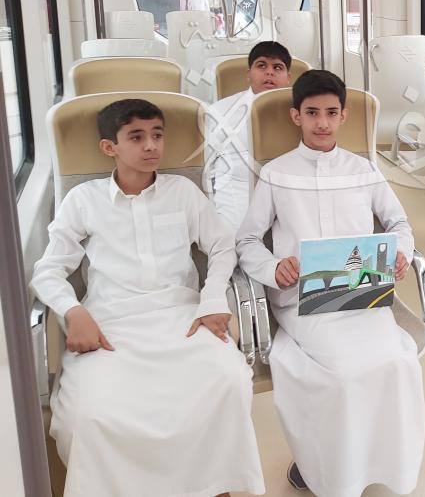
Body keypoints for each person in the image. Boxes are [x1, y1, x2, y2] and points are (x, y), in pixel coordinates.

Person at [30, 98, 265, 496]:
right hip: (112, 325)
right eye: (136, 137)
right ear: (110, 147)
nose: (151, 145)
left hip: (183, 318)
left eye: (157, 135)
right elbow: (48, 269)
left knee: (228, 382)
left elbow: (222, 246)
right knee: (90, 413)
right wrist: (74, 311)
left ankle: (213, 485)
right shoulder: (84, 199)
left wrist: (212, 300)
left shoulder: (183, 192)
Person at [236, 70, 425, 497]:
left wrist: (401, 252)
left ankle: (384, 465)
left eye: (331, 113)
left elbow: (399, 223)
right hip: (303, 299)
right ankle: (331, 471)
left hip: (362, 294)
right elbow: (247, 240)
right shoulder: (276, 174)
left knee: (398, 362)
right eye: (312, 113)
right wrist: (273, 268)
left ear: (343, 116)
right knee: (343, 373)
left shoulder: (364, 170)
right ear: (296, 116)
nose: (322, 123)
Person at [206, 41, 292, 230]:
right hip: (236, 207)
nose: (269, 73)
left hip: (291, 203)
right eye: (262, 66)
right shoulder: (219, 112)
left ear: (288, 78)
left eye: (278, 67)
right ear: (248, 74)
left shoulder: (302, 113)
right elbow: (206, 173)